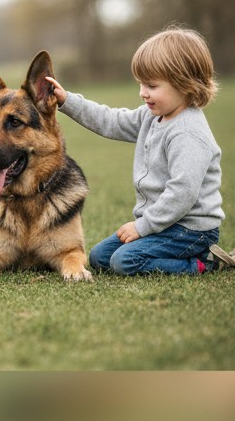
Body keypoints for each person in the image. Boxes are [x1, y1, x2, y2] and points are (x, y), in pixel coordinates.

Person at [45, 26, 233, 275]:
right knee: (100, 257)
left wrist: (143, 226)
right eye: (141, 84)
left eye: (152, 86)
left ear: (185, 84)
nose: (143, 93)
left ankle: (204, 262)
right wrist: (68, 100)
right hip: (162, 223)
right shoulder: (152, 116)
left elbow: (182, 193)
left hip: (190, 230)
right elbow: (111, 121)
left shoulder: (188, 133)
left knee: (125, 262)